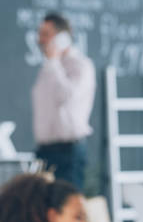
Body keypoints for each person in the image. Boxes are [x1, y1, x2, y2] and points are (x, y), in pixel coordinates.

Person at [32, 12, 96, 190]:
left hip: (68, 152)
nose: (40, 40)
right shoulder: (48, 68)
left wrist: (53, 61)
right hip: (45, 151)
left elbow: (66, 95)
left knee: (66, 207)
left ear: (62, 38)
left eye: (46, 34)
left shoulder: (81, 66)